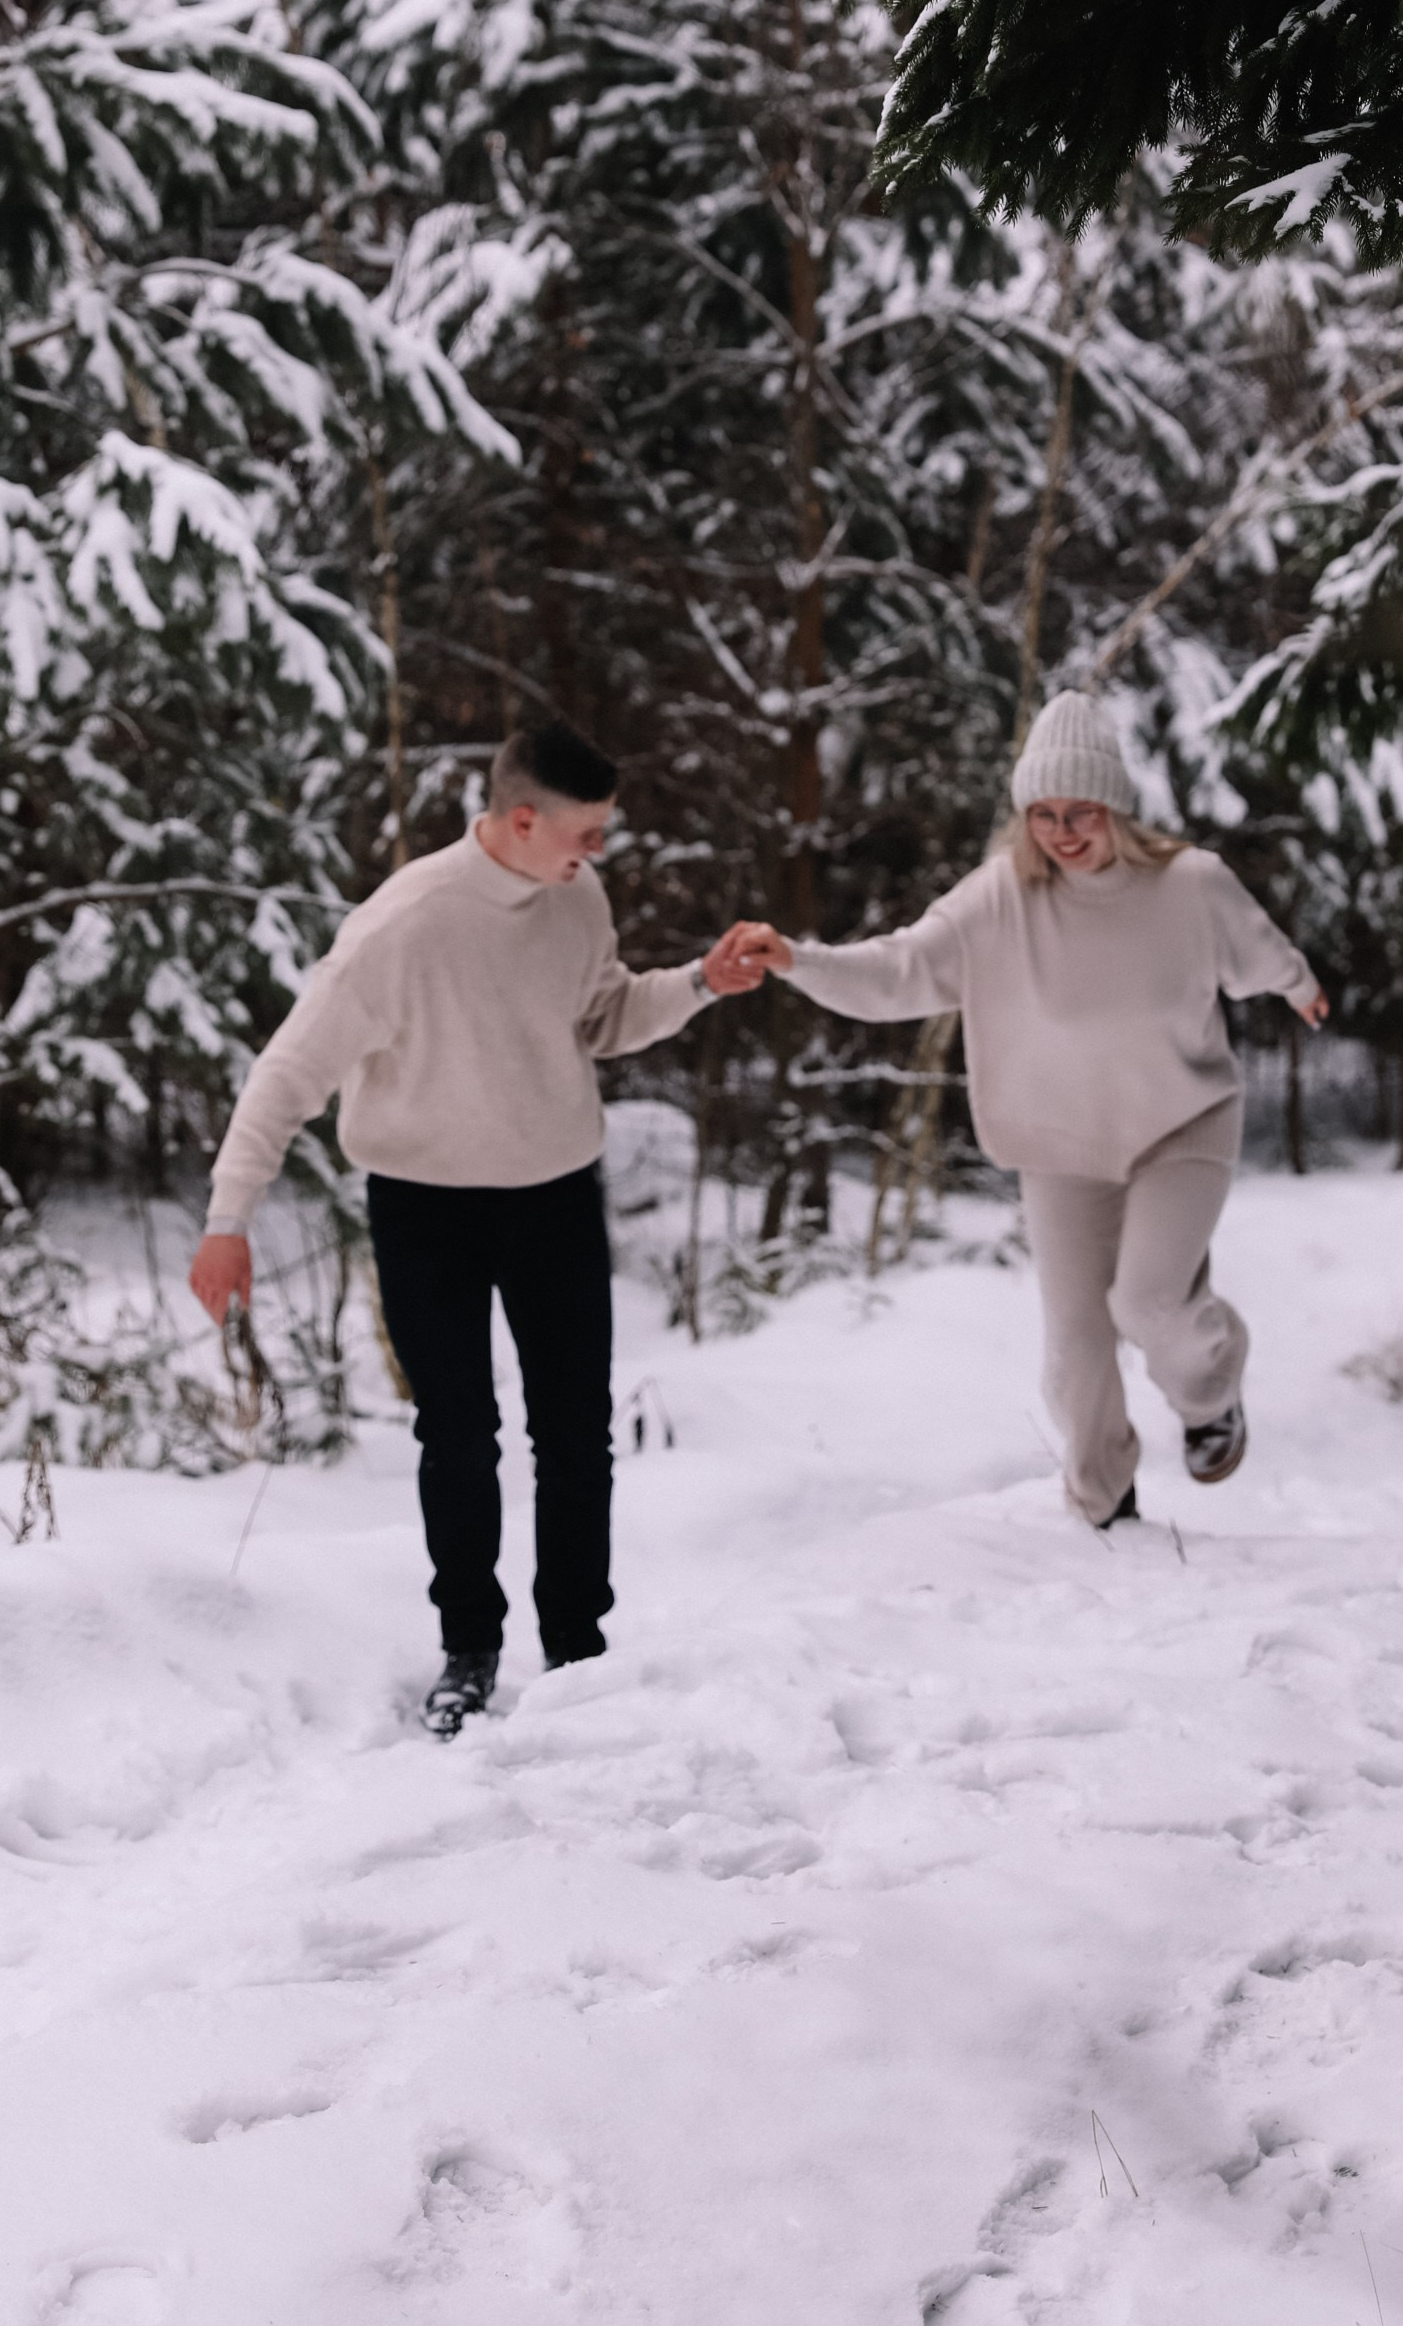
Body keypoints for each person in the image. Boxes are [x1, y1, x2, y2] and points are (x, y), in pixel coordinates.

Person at [189, 719, 765, 1736]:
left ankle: (576, 1648)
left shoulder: (575, 897)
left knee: (575, 1437)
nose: (597, 853)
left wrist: (698, 986)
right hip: (425, 1209)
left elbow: (600, 1018)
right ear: (519, 818)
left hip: (553, 1196)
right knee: (457, 1434)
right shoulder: (402, 926)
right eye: (584, 832)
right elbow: (287, 1075)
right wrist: (227, 1218)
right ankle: (468, 1648)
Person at [735, 692, 1327, 1526]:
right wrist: (796, 959)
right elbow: (900, 970)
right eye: (1043, 814)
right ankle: (1102, 1508)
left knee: (1149, 1304)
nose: (1062, 832)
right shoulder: (999, 898)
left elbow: (1260, 950)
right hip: (1061, 1142)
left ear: (1114, 805)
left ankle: (1209, 1397)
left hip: (1182, 1121)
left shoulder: (1188, 885)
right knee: (1076, 1352)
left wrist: (1298, 986)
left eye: (1079, 811)